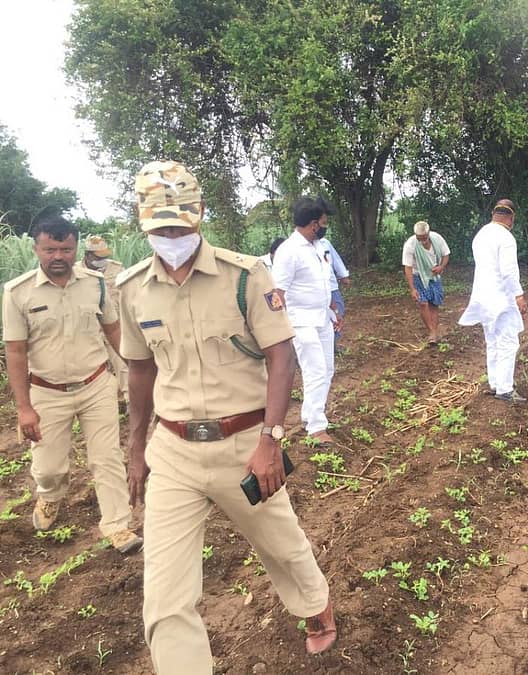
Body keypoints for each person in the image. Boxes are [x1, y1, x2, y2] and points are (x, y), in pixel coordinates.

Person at [118, 161, 336, 672]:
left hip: (244, 444)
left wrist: (271, 438)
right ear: (143, 223)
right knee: (166, 593)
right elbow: (139, 371)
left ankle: (314, 605)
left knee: (282, 545)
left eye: (180, 224)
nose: (171, 236)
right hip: (172, 452)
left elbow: (281, 356)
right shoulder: (131, 290)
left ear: (199, 216)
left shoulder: (245, 276)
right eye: (160, 228)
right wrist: (135, 449)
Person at [2, 216, 141, 554]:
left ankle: (118, 525)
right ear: (36, 248)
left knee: (107, 458)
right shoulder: (17, 293)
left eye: (65, 248)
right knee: (49, 468)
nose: (58, 256)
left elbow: (113, 330)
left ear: (75, 248)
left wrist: (134, 374)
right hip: (46, 392)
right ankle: (49, 496)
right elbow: (16, 351)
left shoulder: (96, 284)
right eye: (50, 249)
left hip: (95, 385)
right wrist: (24, 408)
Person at [271, 196, 338, 445]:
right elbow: (278, 293)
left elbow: (321, 282)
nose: (325, 225)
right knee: (315, 370)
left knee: (327, 369)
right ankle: (316, 427)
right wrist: (280, 328)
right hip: (301, 321)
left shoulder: (317, 247)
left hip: (322, 318)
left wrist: (331, 307)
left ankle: (311, 415)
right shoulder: (289, 252)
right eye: (323, 222)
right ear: (313, 224)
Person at [459, 200, 527, 403]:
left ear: (493, 214)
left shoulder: (481, 235)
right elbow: (508, 272)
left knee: (493, 341)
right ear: (511, 218)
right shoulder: (505, 237)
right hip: (500, 297)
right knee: (507, 342)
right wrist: (519, 295)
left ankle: (496, 383)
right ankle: (505, 389)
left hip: (482, 297)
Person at [75, 235, 129, 403]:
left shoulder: (117, 269)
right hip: (88, 330)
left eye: (104, 257)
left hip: (115, 327)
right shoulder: (74, 271)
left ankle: (130, 401)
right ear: (87, 255)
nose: (103, 261)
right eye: (99, 257)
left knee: (124, 365)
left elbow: (127, 297)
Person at [402, 220, 450, 345]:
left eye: (424, 238)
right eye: (419, 238)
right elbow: (408, 267)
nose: (422, 241)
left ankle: (434, 331)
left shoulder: (437, 239)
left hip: (434, 275)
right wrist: (412, 288)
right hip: (418, 276)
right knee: (422, 303)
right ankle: (432, 333)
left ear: (428, 233)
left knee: (434, 303)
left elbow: (446, 255)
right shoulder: (410, 245)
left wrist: (441, 267)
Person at [313, 200, 350, 355]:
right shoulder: (301, 248)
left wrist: (343, 275)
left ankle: (332, 346)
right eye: (323, 222)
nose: (325, 226)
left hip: (331, 287)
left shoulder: (325, 244)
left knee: (337, 313)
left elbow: (335, 260)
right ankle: (324, 348)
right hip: (316, 291)